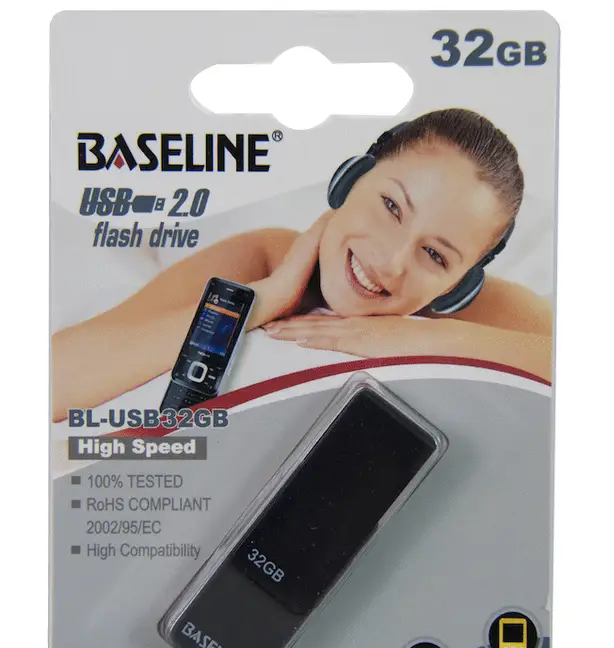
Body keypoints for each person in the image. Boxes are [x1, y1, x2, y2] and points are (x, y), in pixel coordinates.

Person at [52, 108, 552, 422]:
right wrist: (263, 299)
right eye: (392, 206)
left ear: (459, 287)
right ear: (348, 180)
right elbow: (54, 382)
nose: (392, 260)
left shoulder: (473, 313)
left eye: (436, 255)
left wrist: (418, 336)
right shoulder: (261, 257)